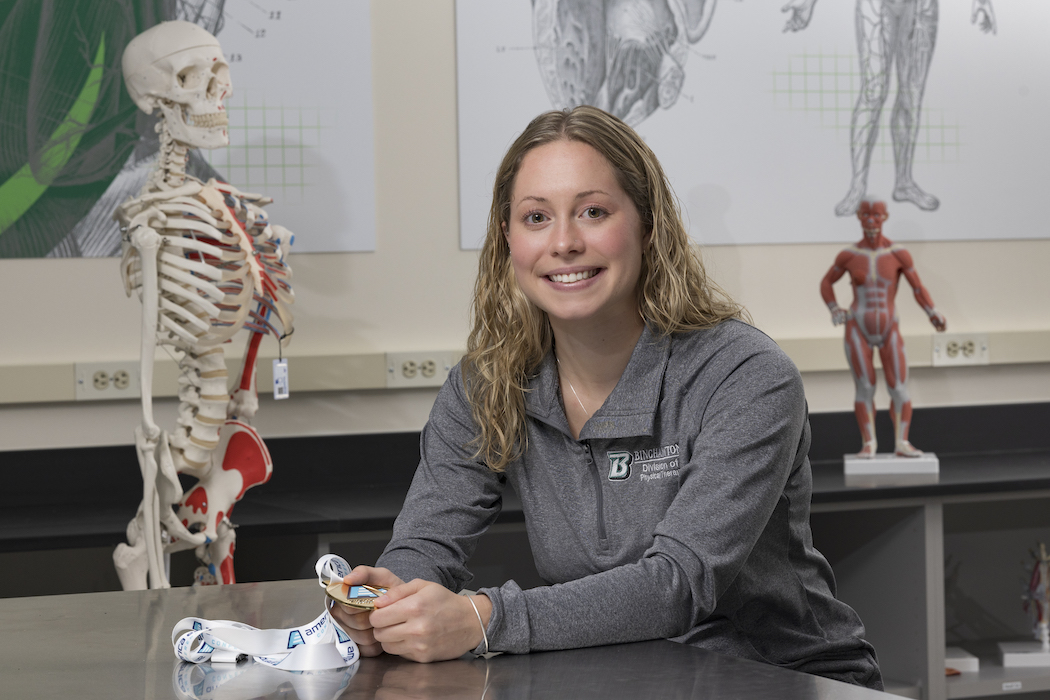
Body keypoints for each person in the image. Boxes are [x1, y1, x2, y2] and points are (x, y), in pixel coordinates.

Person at [330, 105, 882, 689]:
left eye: (593, 212)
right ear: (508, 240)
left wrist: (481, 618)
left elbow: (678, 583)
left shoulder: (745, 375)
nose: (564, 242)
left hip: (775, 678)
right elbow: (425, 541)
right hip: (622, 674)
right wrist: (385, 604)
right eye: (536, 217)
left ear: (647, 225)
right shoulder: (487, 383)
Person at [782, 0, 997, 216]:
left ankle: (904, 183)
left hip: (922, 6)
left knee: (911, 95)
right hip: (876, 5)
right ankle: (857, 186)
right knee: (873, 93)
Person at [820, 196, 947, 458]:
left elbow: (917, 287)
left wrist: (932, 312)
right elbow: (826, 282)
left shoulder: (898, 254)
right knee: (865, 388)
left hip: (889, 325)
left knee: (899, 387)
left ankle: (902, 442)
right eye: (866, 215)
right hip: (858, 326)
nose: (871, 221)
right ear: (858, 218)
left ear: (884, 218)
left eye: (876, 215)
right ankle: (869, 444)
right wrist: (834, 308)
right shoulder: (849, 255)